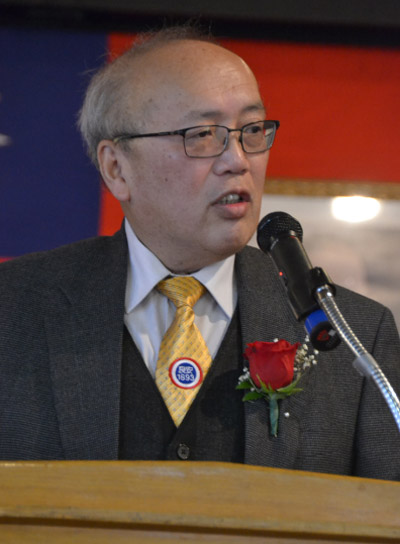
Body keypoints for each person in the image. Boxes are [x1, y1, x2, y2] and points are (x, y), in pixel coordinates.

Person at [0, 26, 399, 480]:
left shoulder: (352, 334)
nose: (238, 160)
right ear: (116, 168)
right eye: (203, 134)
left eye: (251, 130)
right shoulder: (13, 309)